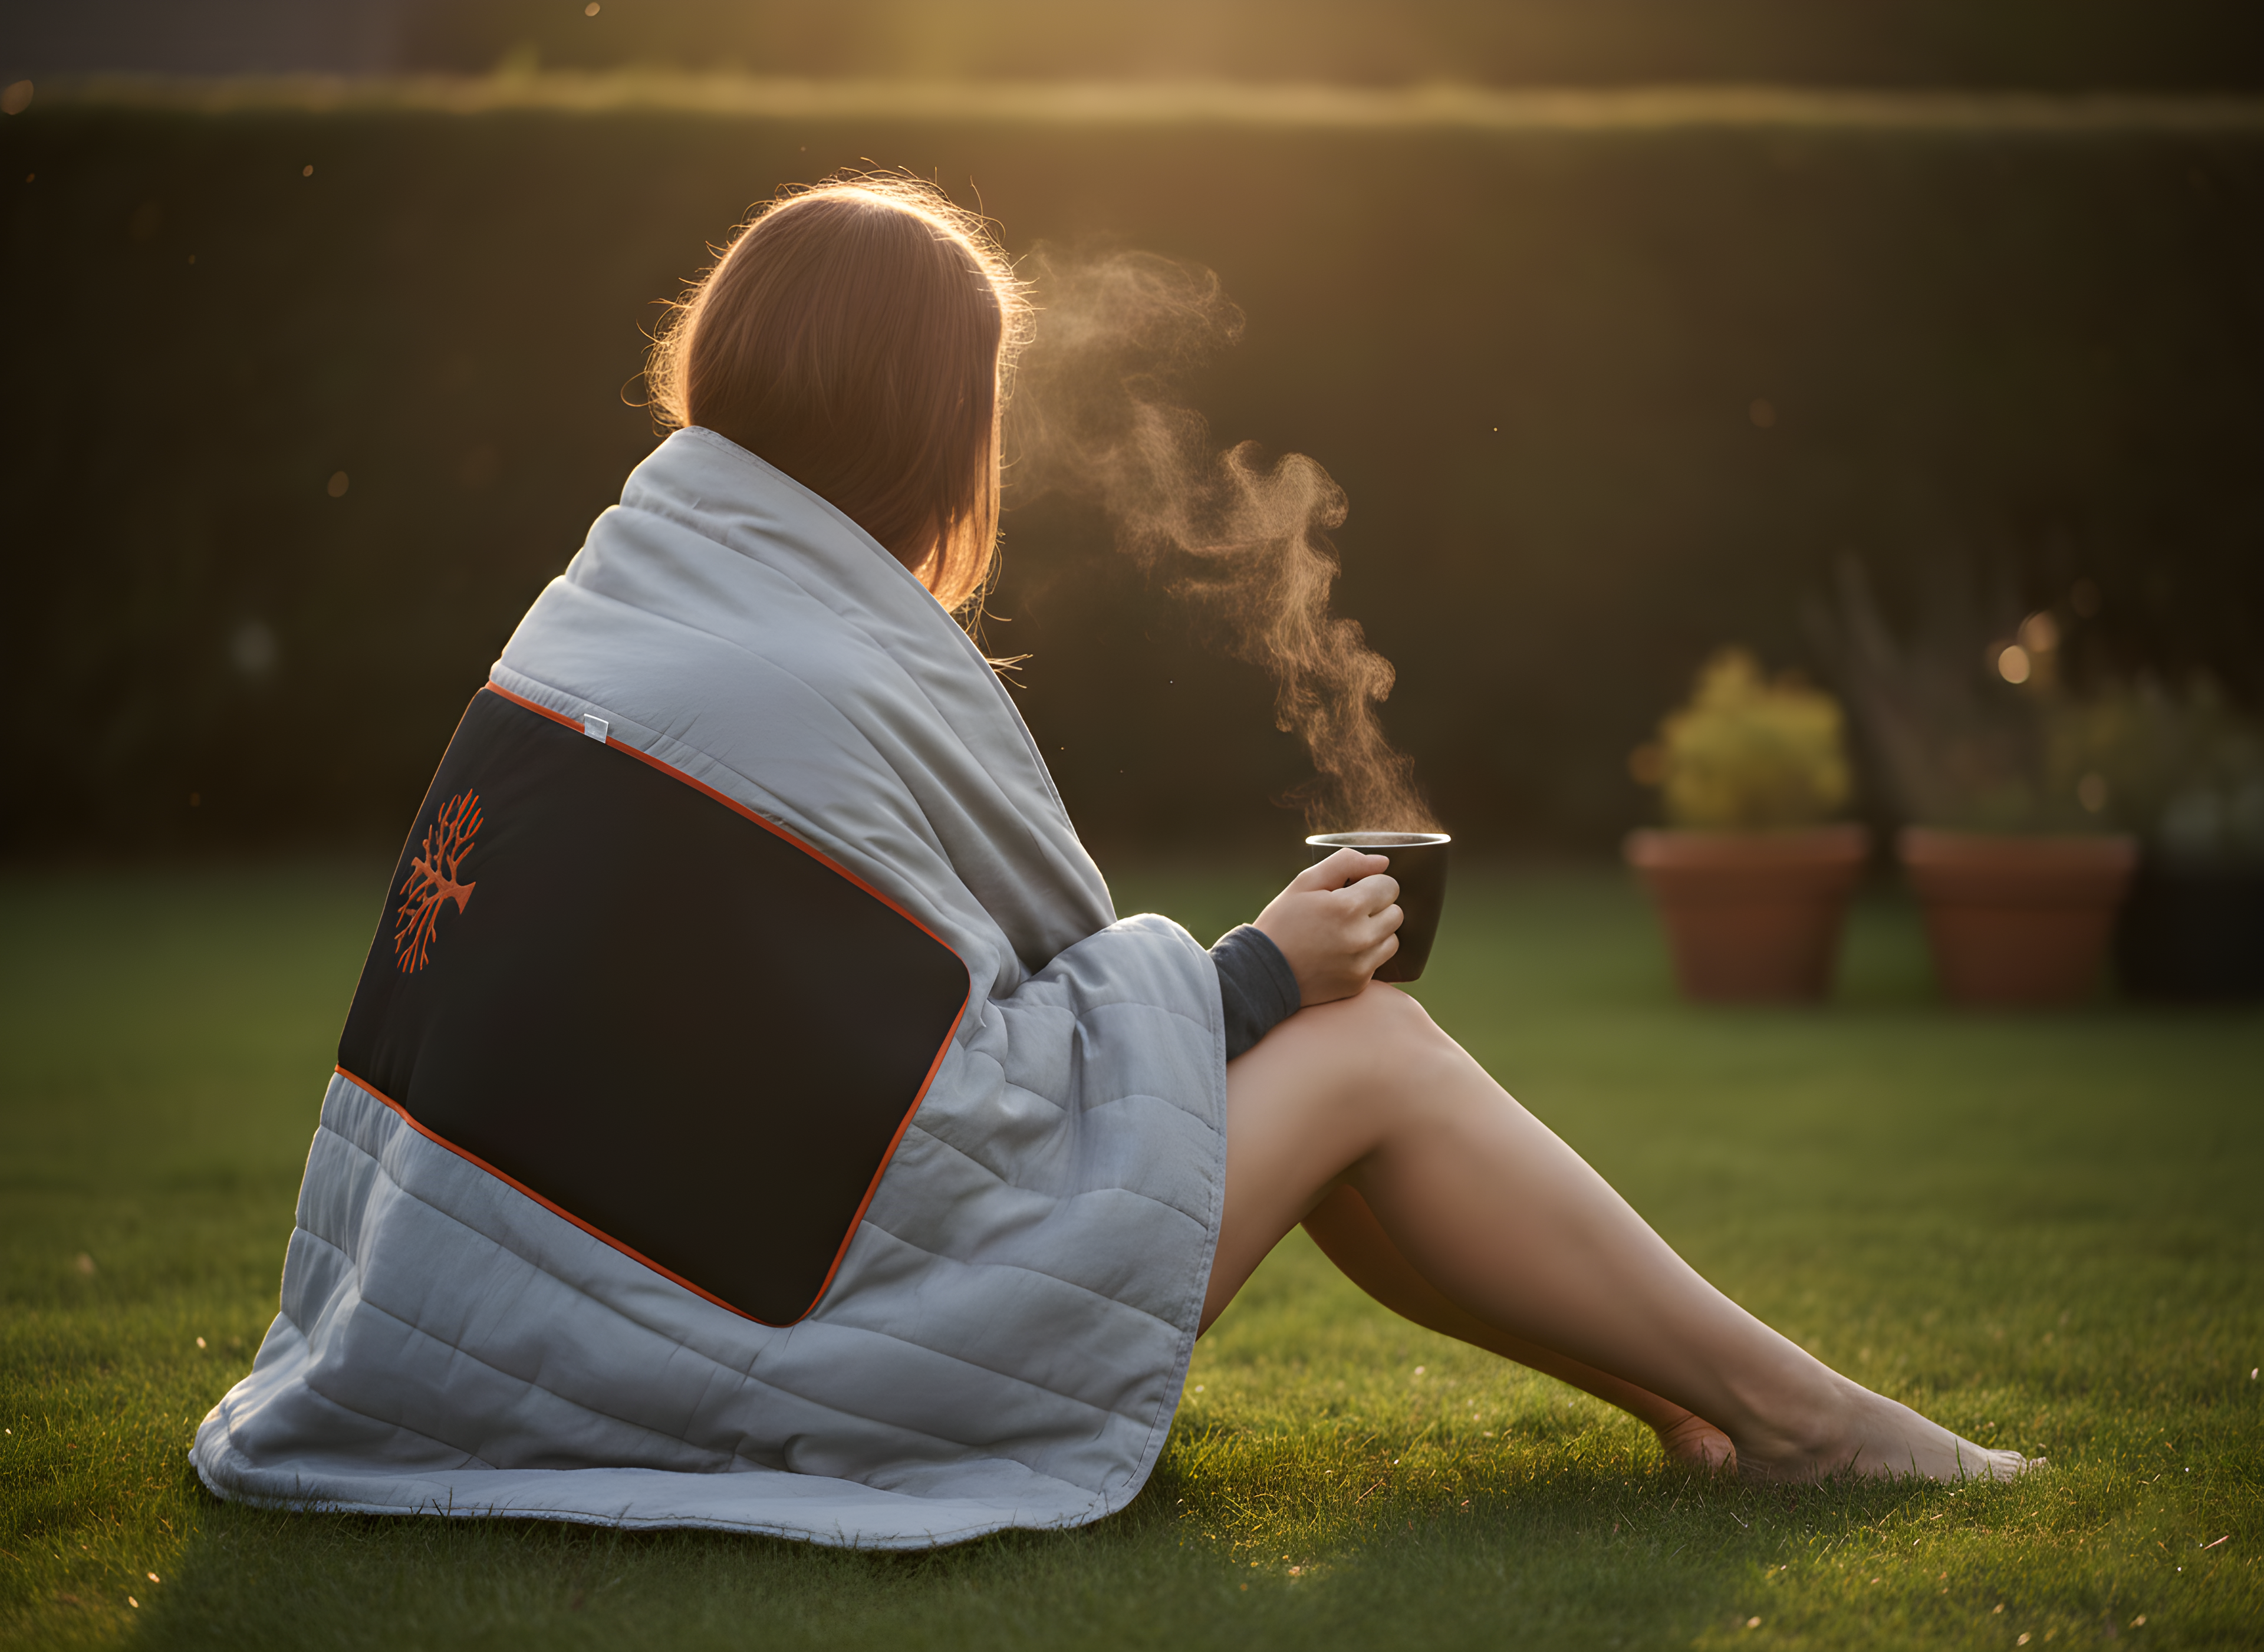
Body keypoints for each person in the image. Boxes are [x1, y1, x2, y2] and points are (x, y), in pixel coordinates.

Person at [190, 176, 2028, 1549]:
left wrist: (1237, 994)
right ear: (931, 417)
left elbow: (821, 1037)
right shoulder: (809, 660)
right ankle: (1804, 1423)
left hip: (558, 1312)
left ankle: (1700, 1406)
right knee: (1370, 1053)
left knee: (1326, 1059)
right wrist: (1256, 976)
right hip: (797, 1343)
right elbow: (958, 1105)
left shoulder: (625, 600)